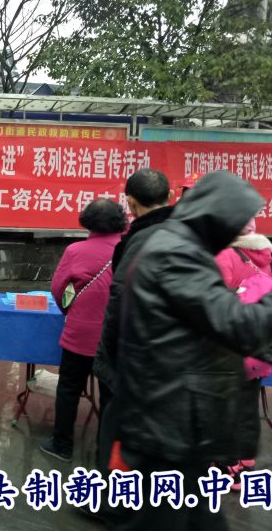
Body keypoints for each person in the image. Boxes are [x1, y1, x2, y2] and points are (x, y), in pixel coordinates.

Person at [113, 170, 272, 530]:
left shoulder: (179, 247)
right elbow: (239, 325)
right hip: (167, 431)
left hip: (180, 425)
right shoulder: (177, 257)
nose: (237, 234)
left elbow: (198, 328)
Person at [93, 169, 174, 470]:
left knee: (119, 437)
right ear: (170, 197)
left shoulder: (140, 241)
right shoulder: (189, 235)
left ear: (131, 202)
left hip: (136, 361)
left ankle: (114, 491)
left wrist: (107, 361)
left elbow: (120, 302)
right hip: (170, 364)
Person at [40, 198, 125, 462]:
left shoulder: (75, 251)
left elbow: (58, 289)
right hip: (115, 335)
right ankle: (105, 451)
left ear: (88, 220)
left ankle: (62, 445)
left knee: (69, 388)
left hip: (79, 334)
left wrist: (71, 311)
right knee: (110, 393)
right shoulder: (130, 249)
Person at [214, 217, 272, 488]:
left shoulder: (225, 255)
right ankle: (247, 463)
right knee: (248, 406)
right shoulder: (263, 256)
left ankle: (226, 465)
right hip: (258, 344)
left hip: (229, 348)